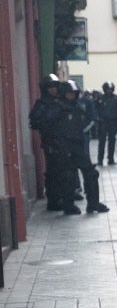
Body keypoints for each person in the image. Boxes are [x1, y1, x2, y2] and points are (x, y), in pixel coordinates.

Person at [61, 84, 108, 215]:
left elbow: (86, 120)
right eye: (69, 93)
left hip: (78, 146)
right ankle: (68, 205)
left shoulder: (77, 106)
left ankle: (93, 204)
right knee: (68, 176)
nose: (71, 95)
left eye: (73, 93)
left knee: (91, 174)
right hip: (64, 147)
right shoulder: (58, 107)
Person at [29, 79, 71, 212]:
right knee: (53, 172)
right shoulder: (42, 104)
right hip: (51, 142)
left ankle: (64, 196)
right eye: (51, 87)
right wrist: (48, 123)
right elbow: (34, 122)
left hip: (63, 140)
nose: (54, 90)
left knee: (64, 171)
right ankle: (53, 200)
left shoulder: (59, 102)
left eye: (55, 87)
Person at [95, 83, 117, 166]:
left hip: (112, 122)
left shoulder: (116, 98)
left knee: (112, 142)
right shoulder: (100, 98)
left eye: (110, 89)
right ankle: (100, 160)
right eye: (107, 89)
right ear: (104, 89)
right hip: (103, 122)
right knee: (102, 141)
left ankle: (111, 159)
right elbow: (96, 108)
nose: (109, 91)